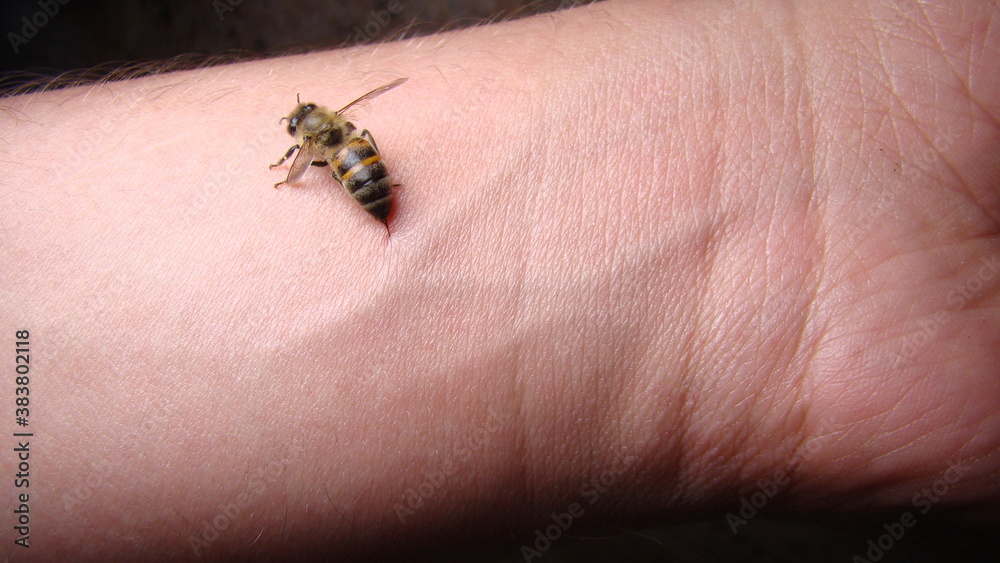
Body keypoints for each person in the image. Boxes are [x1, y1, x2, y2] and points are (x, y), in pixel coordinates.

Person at [1, 0, 997, 559]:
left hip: (371, 178)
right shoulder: (338, 136)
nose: (302, 140)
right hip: (373, 174)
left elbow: (325, 151)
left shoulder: (316, 148)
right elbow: (353, 137)